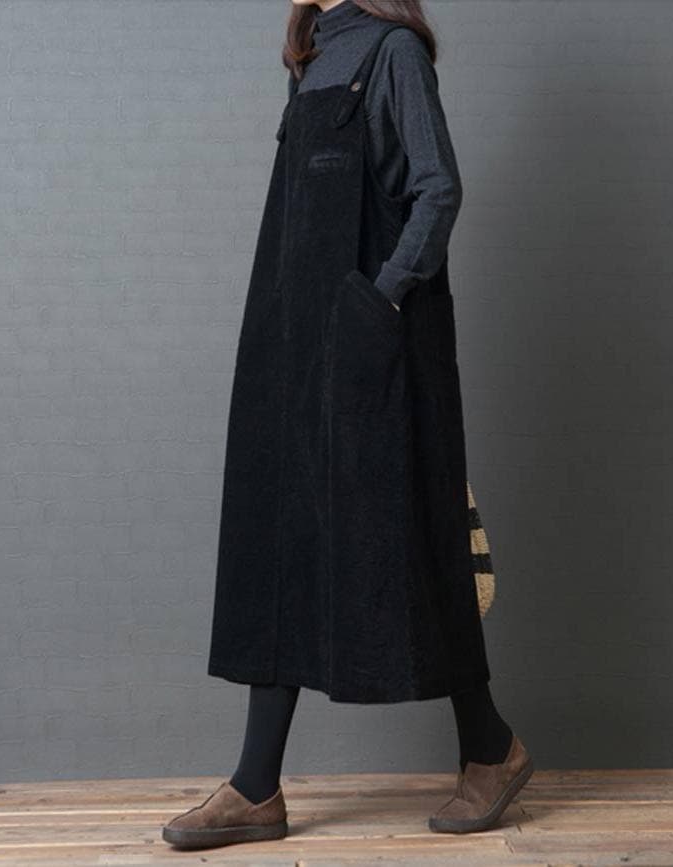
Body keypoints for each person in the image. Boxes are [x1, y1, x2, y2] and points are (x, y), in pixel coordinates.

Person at [163, 0, 533, 850]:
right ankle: (255, 786)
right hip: (291, 344)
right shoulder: (310, 57)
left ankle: (490, 746)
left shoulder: (392, 52)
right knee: (280, 542)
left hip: (373, 345)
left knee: (407, 538)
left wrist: (381, 300)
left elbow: (437, 188)